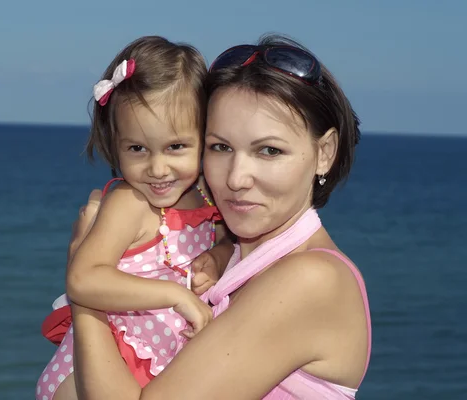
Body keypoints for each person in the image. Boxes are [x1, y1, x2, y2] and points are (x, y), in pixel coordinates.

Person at [67, 34, 371, 399]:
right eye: (220, 147)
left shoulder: (311, 279)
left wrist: (84, 296)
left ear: (324, 152)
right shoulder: (225, 258)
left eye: (269, 150)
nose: (236, 178)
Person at [35, 36, 234, 400]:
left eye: (176, 146)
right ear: (115, 142)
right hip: (88, 373)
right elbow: (83, 278)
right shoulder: (130, 202)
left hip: (150, 365)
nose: (158, 169)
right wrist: (175, 295)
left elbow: (225, 242)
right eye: (137, 148)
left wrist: (218, 256)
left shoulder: (205, 195)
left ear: (205, 136)